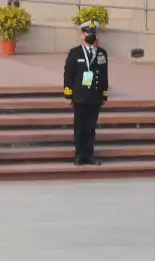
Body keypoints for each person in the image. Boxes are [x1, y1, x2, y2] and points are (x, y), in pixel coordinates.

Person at [63, 21, 109, 166]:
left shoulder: (101, 53)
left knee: (91, 127)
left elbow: (104, 74)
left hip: (95, 96)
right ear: (83, 35)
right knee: (80, 127)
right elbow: (68, 74)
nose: (91, 36)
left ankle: (89, 155)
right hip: (80, 96)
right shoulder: (75, 52)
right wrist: (68, 93)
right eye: (88, 33)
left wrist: (105, 92)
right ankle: (79, 155)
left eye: (93, 33)